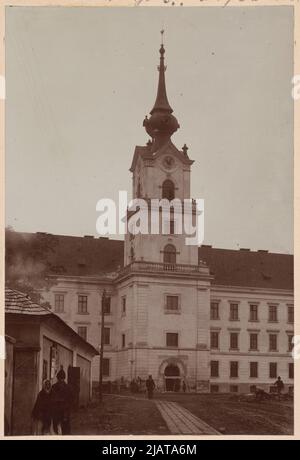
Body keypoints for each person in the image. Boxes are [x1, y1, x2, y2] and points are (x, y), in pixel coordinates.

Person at [51, 368, 72, 435]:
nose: (60, 380)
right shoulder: (54, 387)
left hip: (64, 410)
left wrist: (67, 407)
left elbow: (71, 399)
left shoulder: (67, 387)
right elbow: (51, 398)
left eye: (62, 378)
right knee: (57, 427)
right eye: (60, 378)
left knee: (64, 428)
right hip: (58, 410)